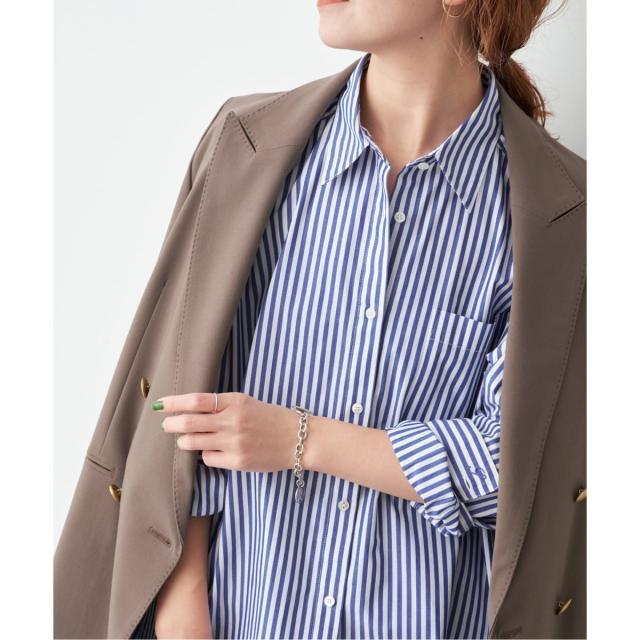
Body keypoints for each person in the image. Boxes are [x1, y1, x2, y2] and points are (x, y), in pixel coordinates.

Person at [135, 0, 574, 638]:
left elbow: (519, 467)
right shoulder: (246, 147)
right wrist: (182, 617)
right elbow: (185, 410)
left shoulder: (563, 213)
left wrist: (299, 439)